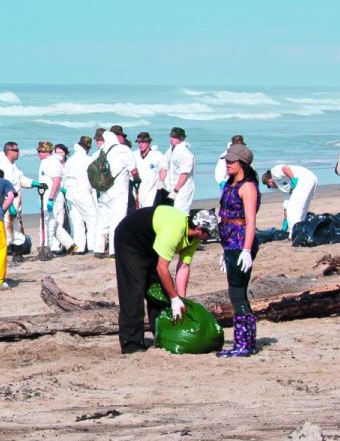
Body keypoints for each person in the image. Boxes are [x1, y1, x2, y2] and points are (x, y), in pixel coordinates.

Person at [112, 203, 219, 354]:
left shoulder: (194, 238)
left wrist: (180, 299)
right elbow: (162, 268)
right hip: (130, 240)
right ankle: (131, 343)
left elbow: (183, 267)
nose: (209, 238)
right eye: (209, 234)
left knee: (159, 293)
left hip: (152, 244)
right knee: (134, 292)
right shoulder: (175, 230)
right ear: (200, 229)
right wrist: (174, 298)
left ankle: (162, 335)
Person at [216, 144, 261, 356]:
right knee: (235, 291)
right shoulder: (229, 184)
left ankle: (245, 343)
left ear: (242, 163)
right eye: (227, 161)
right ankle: (244, 343)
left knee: (237, 292)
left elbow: (250, 221)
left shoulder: (248, 187)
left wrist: (246, 249)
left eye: (232, 161)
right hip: (229, 242)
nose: (227, 164)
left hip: (241, 241)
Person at [96, 125, 135, 254]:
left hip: (104, 189)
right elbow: (133, 170)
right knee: (117, 219)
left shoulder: (102, 150)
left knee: (103, 219)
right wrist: (137, 179)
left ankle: (99, 249)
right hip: (119, 190)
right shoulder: (123, 149)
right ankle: (114, 250)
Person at [0, 142, 34, 248]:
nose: (18, 153)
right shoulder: (2, 167)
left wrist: (34, 183)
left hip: (15, 204)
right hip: (6, 205)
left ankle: (17, 252)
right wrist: (9, 205)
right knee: (7, 229)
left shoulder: (13, 166)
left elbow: (21, 180)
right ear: (8, 152)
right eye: (16, 150)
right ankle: (6, 252)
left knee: (17, 230)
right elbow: (3, 188)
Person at [262, 162, 318, 233]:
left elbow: (285, 168)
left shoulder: (274, 172)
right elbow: (286, 205)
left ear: (268, 178)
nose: (270, 187)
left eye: (268, 185)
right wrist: (285, 221)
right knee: (300, 209)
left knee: (294, 209)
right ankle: (299, 230)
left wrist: (293, 179)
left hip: (304, 178)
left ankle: (293, 233)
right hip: (311, 179)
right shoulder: (284, 187)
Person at [63, 134, 95, 254]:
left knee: (77, 221)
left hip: (70, 192)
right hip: (83, 192)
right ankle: (93, 246)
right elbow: (92, 178)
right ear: (88, 148)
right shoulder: (88, 160)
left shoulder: (70, 160)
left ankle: (79, 248)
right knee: (92, 219)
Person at [37, 141, 72, 252]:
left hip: (54, 198)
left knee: (49, 223)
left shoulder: (51, 162)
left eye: (40, 151)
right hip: (46, 197)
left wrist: (51, 199)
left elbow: (56, 181)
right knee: (53, 222)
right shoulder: (46, 161)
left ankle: (51, 247)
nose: (38, 153)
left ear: (46, 152)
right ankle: (70, 244)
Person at [163, 126, 196, 210]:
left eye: (174, 137)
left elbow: (184, 174)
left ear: (181, 139)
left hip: (184, 187)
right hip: (172, 186)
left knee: (181, 211)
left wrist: (176, 190)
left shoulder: (185, 153)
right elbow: (164, 167)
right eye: (171, 136)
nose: (171, 139)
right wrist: (160, 182)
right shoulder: (170, 150)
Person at [133, 132, 168, 209]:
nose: (140, 144)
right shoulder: (134, 155)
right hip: (137, 190)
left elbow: (164, 168)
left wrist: (161, 181)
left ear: (149, 142)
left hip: (151, 190)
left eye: (143, 142)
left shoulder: (157, 155)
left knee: (149, 212)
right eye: (139, 142)